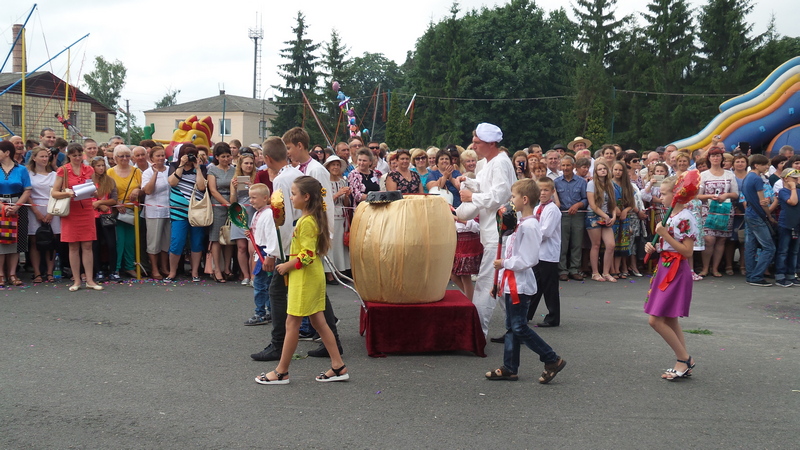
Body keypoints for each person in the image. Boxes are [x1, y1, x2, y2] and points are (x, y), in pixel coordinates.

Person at [250, 137, 341, 362]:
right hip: (300, 245)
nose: (292, 197)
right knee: (316, 300)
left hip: (292, 249)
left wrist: (274, 254)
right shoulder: (295, 174)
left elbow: (281, 219)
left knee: (278, 294)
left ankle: (279, 346)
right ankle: (333, 346)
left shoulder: (284, 180)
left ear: (267, 158)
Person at [255, 176, 349, 385]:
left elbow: (307, 255)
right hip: (309, 276)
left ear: (306, 197)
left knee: (292, 323)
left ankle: (281, 371)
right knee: (319, 322)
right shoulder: (311, 219)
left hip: (305, 278)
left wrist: (287, 265)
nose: (291, 197)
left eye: (294, 194)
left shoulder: (306, 222)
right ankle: (338, 366)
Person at [485, 178, 566, 383]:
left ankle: (551, 358)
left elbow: (529, 259)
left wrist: (504, 263)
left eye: (513, 197)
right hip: (511, 282)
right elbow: (511, 251)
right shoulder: (520, 223)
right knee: (511, 327)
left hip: (520, 285)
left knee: (519, 326)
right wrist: (498, 281)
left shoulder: (530, 226)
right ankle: (510, 367)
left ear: (524, 199)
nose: (511, 201)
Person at [459, 123, 516, 337]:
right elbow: (486, 187)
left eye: (477, 142)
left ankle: (476, 334)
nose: (473, 146)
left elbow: (499, 196)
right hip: (493, 232)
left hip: (498, 234)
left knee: (486, 283)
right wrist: (469, 183)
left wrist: (471, 196)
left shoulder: (499, 162)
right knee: (499, 284)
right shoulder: (490, 162)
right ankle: (516, 329)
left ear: (491, 143)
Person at [643, 176, 698, 380]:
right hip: (665, 267)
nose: (660, 197)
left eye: (664, 193)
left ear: (677, 195)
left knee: (655, 320)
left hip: (676, 270)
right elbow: (666, 245)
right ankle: (685, 360)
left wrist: (665, 235)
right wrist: (653, 246)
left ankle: (683, 359)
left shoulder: (685, 217)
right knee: (669, 318)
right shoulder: (669, 216)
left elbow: (687, 252)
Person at [51, 143, 102, 291]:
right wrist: (68, 193)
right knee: (73, 246)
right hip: (71, 211)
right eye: (74, 156)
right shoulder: (63, 170)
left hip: (86, 209)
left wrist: (94, 192)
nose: (78, 158)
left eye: (80, 155)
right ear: (69, 156)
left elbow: (95, 189)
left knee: (87, 245)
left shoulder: (89, 169)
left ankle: (90, 280)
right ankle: (77, 280)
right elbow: (54, 192)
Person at [165, 144, 207, 282]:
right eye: (188, 154)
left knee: (197, 242)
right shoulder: (174, 165)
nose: (190, 157)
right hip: (178, 211)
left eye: (192, 154)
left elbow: (201, 187)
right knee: (177, 241)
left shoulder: (202, 168)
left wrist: (197, 168)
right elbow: (172, 182)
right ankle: (172, 272)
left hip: (196, 210)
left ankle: (194, 272)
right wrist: (182, 165)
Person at [697, 148, 738, 278]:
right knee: (709, 239)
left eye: (718, 156)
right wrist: (710, 196)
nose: (715, 158)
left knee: (721, 240)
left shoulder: (729, 174)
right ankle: (705, 268)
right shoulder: (703, 175)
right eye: (713, 156)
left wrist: (726, 195)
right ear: (709, 158)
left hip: (725, 210)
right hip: (708, 210)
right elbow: (698, 196)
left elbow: (735, 194)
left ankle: (715, 268)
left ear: (722, 158)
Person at [528, 177, 562, 327]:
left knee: (549, 288)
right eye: (540, 190)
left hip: (548, 254)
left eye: (546, 190)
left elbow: (546, 232)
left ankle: (553, 317)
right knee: (535, 286)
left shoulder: (552, 209)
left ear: (552, 191)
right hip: (538, 253)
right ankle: (527, 313)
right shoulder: (537, 208)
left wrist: (529, 237)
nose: (542, 193)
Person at [107, 145, 142, 280]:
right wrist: (116, 203)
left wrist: (138, 190)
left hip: (133, 210)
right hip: (117, 211)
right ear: (115, 158)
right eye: (121, 156)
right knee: (119, 241)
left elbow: (143, 187)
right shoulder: (110, 172)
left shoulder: (136, 171)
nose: (125, 158)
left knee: (131, 241)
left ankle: (129, 267)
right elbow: (106, 191)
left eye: (127, 156)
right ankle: (116, 268)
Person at [244, 183, 277, 326]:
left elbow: (271, 235)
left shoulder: (268, 214)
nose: (251, 200)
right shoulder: (258, 213)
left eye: (254, 197)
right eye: (250, 197)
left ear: (265, 198)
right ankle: (269, 311)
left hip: (265, 253)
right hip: (261, 252)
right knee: (266, 284)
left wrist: (270, 255)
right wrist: (251, 234)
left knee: (260, 284)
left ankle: (261, 313)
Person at [26, 147, 61, 283]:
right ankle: (37, 273)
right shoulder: (28, 174)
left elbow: (57, 193)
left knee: (51, 241)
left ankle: (50, 272)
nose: (45, 159)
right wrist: (36, 212)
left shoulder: (54, 175)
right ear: (34, 158)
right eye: (42, 156)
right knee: (35, 241)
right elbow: (27, 193)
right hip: (34, 210)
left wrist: (51, 213)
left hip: (52, 209)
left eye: (46, 156)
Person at [0, 141, 32, 286]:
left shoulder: (21, 169)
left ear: (7, 153)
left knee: (16, 240)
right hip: (1, 205)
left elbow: (27, 190)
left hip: (18, 205)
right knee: (0, 241)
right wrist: (3, 206)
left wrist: (17, 206)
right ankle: (1, 274)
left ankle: (12, 273)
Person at [741, 154, 776, 286]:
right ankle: (756, 275)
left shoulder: (747, 177)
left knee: (750, 246)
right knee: (769, 248)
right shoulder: (757, 179)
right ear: (756, 165)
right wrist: (769, 216)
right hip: (757, 215)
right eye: (764, 165)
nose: (767, 167)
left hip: (749, 212)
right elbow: (762, 202)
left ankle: (751, 275)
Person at [206, 142, 236, 282]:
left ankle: (227, 268)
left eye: (228, 156)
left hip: (232, 202)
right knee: (216, 238)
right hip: (217, 205)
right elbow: (213, 190)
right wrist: (226, 204)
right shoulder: (212, 170)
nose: (226, 159)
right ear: (217, 157)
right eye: (223, 156)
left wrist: (231, 203)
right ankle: (217, 269)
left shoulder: (234, 170)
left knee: (229, 238)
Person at [554, 156, 587, 281]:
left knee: (576, 243)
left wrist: (578, 205)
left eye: (568, 165)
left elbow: (586, 199)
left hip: (578, 215)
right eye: (563, 165)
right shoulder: (556, 182)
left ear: (573, 166)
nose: (565, 168)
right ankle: (562, 270)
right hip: (562, 215)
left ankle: (574, 269)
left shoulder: (581, 182)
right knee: (562, 243)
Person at [141, 146, 171, 280]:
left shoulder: (170, 170)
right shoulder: (147, 173)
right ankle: (154, 268)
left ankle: (164, 267)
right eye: (158, 156)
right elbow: (148, 190)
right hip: (154, 211)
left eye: (163, 155)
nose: (161, 158)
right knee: (154, 242)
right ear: (152, 158)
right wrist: (155, 173)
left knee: (166, 242)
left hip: (169, 210)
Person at [586, 161, 618, 282]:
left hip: (607, 215)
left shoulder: (610, 184)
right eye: (599, 169)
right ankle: (595, 272)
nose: (603, 170)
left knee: (611, 245)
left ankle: (606, 272)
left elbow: (613, 203)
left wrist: (613, 216)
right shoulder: (591, 184)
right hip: (593, 216)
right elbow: (593, 205)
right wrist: (605, 216)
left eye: (604, 168)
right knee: (596, 244)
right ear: (596, 172)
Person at [230, 152, 257, 286]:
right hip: (239, 213)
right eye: (246, 163)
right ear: (240, 165)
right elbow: (232, 201)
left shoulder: (257, 178)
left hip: (253, 213)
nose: (249, 166)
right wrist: (234, 190)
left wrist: (253, 187)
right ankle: (245, 275)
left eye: (251, 163)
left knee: (252, 248)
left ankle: (253, 275)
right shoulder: (235, 179)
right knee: (241, 247)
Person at [323, 155, 351, 283]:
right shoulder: (325, 182)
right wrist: (337, 194)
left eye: (338, 165)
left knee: (340, 245)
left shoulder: (342, 182)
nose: (335, 167)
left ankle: (340, 271)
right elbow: (325, 201)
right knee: (331, 245)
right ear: (328, 167)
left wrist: (346, 195)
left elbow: (346, 203)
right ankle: (329, 273)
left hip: (342, 216)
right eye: (333, 165)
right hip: (330, 216)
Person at [90, 157, 118, 282]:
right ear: (93, 167)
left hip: (107, 216)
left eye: (103, 165)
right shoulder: (89, 181)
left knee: (111, 244)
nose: (101, 168)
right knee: (95, 245)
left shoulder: (110, 181)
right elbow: (87, 198)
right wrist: (99, 205)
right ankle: (98, 270)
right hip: (93, 216)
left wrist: (101, 202)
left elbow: (114, 199)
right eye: (98, 166)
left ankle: (113, 271)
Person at [775, 169, 800, 287]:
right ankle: (780, 276)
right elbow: (793, 202)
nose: (796, 180)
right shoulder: (783, 191)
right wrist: (793, 188)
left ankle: (791, 274)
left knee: (794, 251)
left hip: (797, 225)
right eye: (794, 178)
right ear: (786, 179)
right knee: (783, 251)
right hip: (786, 224)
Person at [611, 160, 636, 278]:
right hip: (612, 216)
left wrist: (626, 210)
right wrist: (615, 208)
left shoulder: (627, 185)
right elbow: (606, 200)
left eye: (620, 170)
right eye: (615, 169)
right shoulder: (608, 184)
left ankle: (618, 268)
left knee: (622, 243)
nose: (618, 172)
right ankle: (612, 269)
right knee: (612, 243)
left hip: (625, 217)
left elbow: (632, 203)